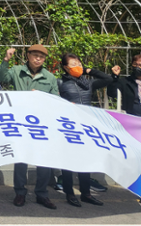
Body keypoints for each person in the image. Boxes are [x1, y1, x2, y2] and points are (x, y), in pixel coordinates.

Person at [0, 44, 59, 210]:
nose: (38, 58)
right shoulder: (17, 70)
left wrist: (40, 98)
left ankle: (42, 194)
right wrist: (6, 59)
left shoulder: (50, 77)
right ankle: (20, 193)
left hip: (41, 124)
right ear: (28, 55)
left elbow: (56, 101)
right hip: (20, 122)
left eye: (42, 56)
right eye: (35, 55)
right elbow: (2, 77)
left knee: (44, 160)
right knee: (21, 159)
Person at [57, 53, 111, 207]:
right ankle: (69, 193)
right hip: (69, 128)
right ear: (66, 67)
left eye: (79, 63)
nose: (78, 66)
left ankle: (86, 193)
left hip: (86, 127)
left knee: (85, 161)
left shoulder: (89, 83)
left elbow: (107, 79)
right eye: (73, 64)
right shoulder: (60, 83)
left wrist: (89, 70)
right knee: (68, 162)